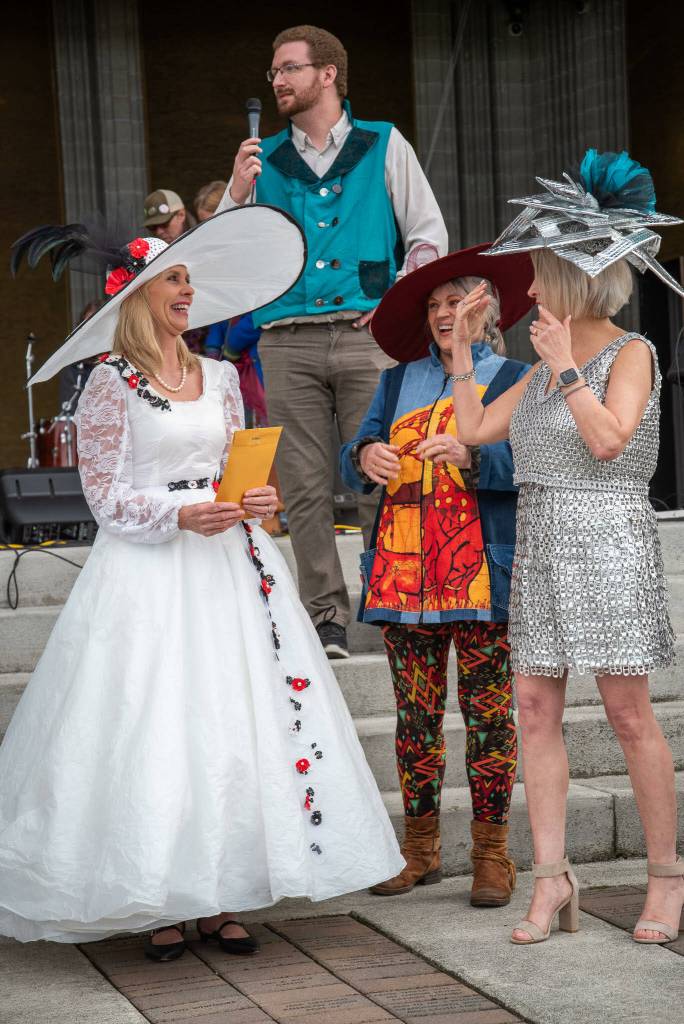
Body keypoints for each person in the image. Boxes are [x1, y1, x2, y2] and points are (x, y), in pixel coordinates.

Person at [0, 208, 404, 958]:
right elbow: (105, 497)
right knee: (160, 725)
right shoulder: (107, 385)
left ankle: (223, 893)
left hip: (231, 566)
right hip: (150, 575)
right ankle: (159, 895)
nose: (188, 290)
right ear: (139, 293)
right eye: (174, 278)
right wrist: (183, 514)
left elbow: (237, 467)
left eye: (189, 277)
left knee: (230, 722)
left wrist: (256, 498)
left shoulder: (219, 376)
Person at [448, 151, 682, 945]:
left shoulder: (632, 352)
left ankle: (666, 877)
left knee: (626, 712)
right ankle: (551, 881)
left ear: (576, 280)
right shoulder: (535, 369)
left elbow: (612, 442)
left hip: (611, 537)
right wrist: (458, 354)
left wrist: (566, 370)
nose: (529, 291)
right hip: (544, 539)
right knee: (535, 709)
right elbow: (473, 430)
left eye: (541, 275)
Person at [217, 24, 448, 658]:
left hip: (364, 335)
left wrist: (398, 302)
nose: (277, 81)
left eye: (288, 69)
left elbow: (428, 235)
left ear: (327, 74)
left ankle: (394, 597)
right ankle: (326, 617)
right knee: (306, 484)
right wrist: (236, 192)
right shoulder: (262, 160)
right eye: (273, 73)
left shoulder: (383, 143)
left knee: (384, 469)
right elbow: (222, 256)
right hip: (285, 339)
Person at [341, 245, 533, 906]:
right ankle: (419, 851)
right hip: (404, 575)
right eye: (434, 304)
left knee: (488, 718)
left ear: (486, 309)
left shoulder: (515, 376)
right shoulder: (397, 382)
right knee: (413, 718)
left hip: (483, 576)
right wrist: (366, 454)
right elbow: (355, 449)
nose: (445, 312)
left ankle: (492, 856)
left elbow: (535, 463)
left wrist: (476, 457)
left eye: (457, 300)